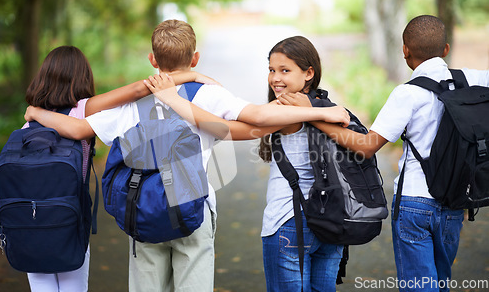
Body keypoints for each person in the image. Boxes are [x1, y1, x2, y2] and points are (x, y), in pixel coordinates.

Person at [25, 20, 350, 292]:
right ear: (194, 59)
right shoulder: (209, 93)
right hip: (193, 207)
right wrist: (322, 112)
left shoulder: (129, 104)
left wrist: (36, 112)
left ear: (153, 59)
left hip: (141, 209)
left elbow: (78, 128)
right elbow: (258, 116)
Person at [277, 15, 489, 291]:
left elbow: (366, 146)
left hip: (415, 202)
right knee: (440, 282)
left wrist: (313, 115)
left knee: (419, 286)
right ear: (446, 49)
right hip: (458, 199)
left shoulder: (407, 94)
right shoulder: (474, 79)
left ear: (405, 50)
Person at [143, 35, 345, 292]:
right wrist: (195, 78)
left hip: (289, 221)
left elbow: (223, 128)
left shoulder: (287, 110)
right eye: (272, 70)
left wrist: (174, 99)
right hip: (332, 221)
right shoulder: (328, 105)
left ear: (309, 73)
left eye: (285, 70)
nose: (275, 78)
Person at [22, 45, 159, 292]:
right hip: (70, 217)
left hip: (28, 220)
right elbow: (141, 88)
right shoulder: (83, 109)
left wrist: (34, 111)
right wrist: (192, 76)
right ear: (82, 77)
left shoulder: (29, 124)